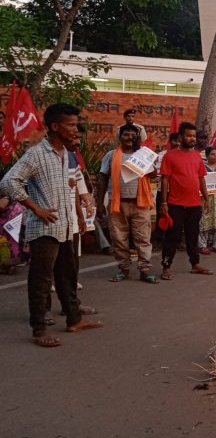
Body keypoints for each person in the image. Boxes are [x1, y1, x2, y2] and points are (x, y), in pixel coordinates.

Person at [0, 103, 103, 347]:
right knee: (41, 280)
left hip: (65, 227)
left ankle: (74, 319)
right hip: (44, 228)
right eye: (70, 125)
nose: (76, 130)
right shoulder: (36, 153)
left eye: (76, 124)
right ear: (55, 127)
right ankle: (39, 330)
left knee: (67, 275)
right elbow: (8, 182)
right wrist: (35, 208)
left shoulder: (65, 154)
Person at [96, 124, 158, 283]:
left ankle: (145, 270)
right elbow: (102, 178)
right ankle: (123, 269)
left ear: (137, 137)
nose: (130, 137)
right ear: (120, 137)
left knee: (143, 238)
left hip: (140, 203)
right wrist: (99, 202)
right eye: (126, 134)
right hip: (117, 203)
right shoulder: (111, 155)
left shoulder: (143, 154)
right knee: (118, 238)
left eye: (133, 135)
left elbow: (154, 175)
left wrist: (145, 157)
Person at [158, 121, 212, 280]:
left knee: (192, 236)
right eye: (189, 135)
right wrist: (164, 202)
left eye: (194, 136)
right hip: (175, 204)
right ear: (181, 137)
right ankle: (166, 266)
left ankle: (195, 264)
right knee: (172, 237)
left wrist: (206, 199)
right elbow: (165, 180)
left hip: (194, 204)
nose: (192, 138)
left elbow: (201, 179)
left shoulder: (197, 156)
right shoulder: (170, 155)